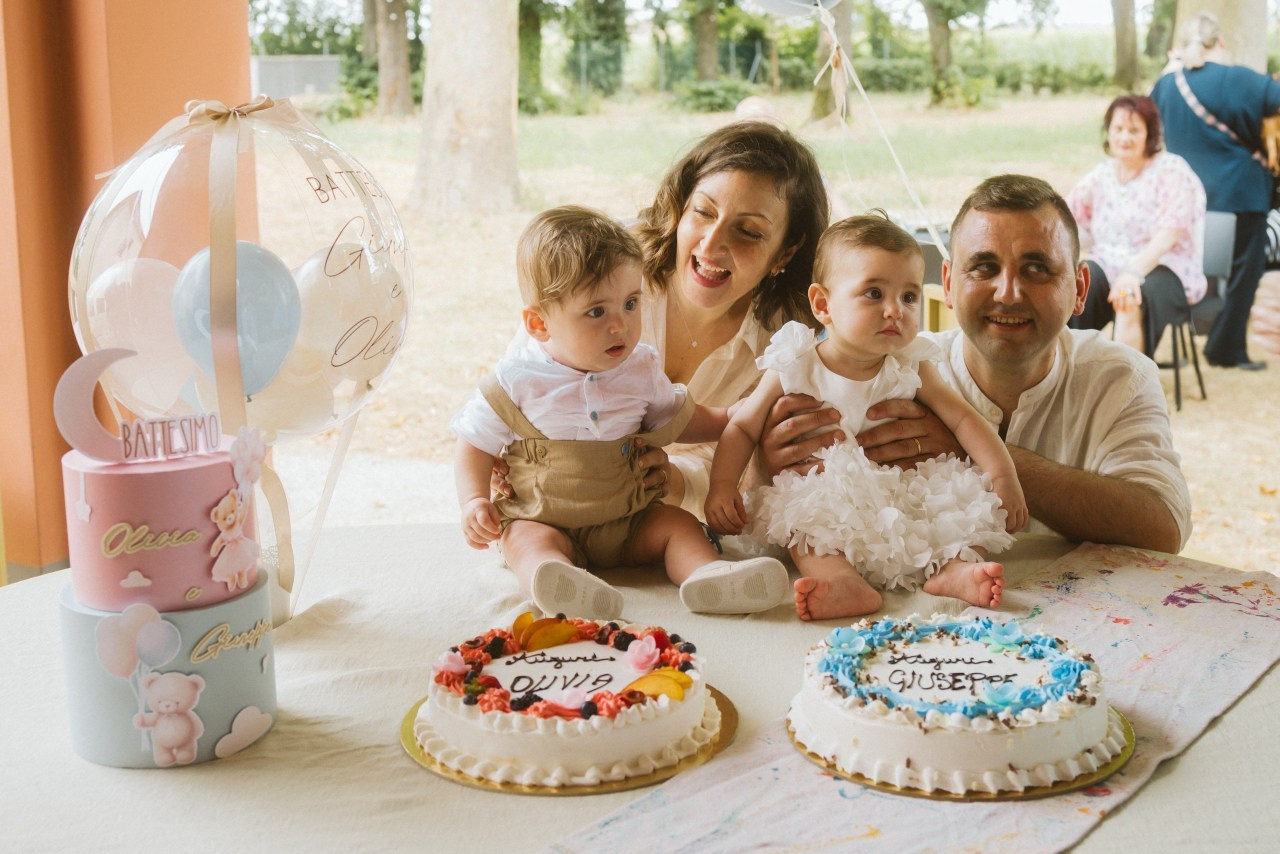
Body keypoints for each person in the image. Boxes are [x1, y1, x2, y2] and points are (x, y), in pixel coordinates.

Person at [760, 175, 1192, 557]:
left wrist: (968, 449)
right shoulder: (889, 367)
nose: (1008, 293)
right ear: (947, 284)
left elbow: (1162, 527)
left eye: (1036, 268)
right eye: (984, 267)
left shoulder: (1122, 378)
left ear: (1080, 289)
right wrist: (777, 457)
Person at [454, 206, 789, 619]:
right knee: (524, 540)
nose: (621, 326)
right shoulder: (516, 381)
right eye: (597, 312)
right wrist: (473, 501)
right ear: (539, 325)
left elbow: (681, 417)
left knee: (676, 526)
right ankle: (558, 580)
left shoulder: (641, 369)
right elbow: (473, 444)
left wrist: (729, 418)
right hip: (545, 517)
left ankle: (708, 576)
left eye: (631, 304)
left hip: (629, 520)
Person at [704, 214, 1028, 620]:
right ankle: (839, 580)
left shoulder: (912, 365)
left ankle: (956, 569)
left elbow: (964, 419)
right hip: (827, 487)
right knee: (803, 521)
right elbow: (742, 426)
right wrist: (722, 485)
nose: (895, 311)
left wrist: (1002, 475)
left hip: (906, 483)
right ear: (823, 304)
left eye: (909, 297)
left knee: (960, 503)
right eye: (874, 293)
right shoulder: (796, 362)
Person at [629, 121, 832, 516]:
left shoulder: (786, 345)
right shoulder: (612, 267)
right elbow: (526, 374)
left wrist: (672, 478)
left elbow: (745, 466)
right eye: (704, 211)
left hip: (669, 523)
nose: (711, 243)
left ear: (785, 253)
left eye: (749, 232)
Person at [1151, 11, 1280, 370]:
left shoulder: (1166, 84)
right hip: (1240, 194)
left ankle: (1166, 345)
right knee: (1243, 274)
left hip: (1181, 198)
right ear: (1221, 44)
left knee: (1176, 267)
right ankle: (1225, 349)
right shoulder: (1239, 79)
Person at [1066, 95, 1207, 358]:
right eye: (1118, 129)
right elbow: (1066, 216)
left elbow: (1168, 235)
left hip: (1164, 268)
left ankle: (1129, 390)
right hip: (1110, 264)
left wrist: (1132, 273)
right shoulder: (1103, 174)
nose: (1124, 138)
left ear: (1149, 134)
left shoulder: (1172, 170)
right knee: (1076, 284)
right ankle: (1073, 374)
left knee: (1129, 297)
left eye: (1134, 130)